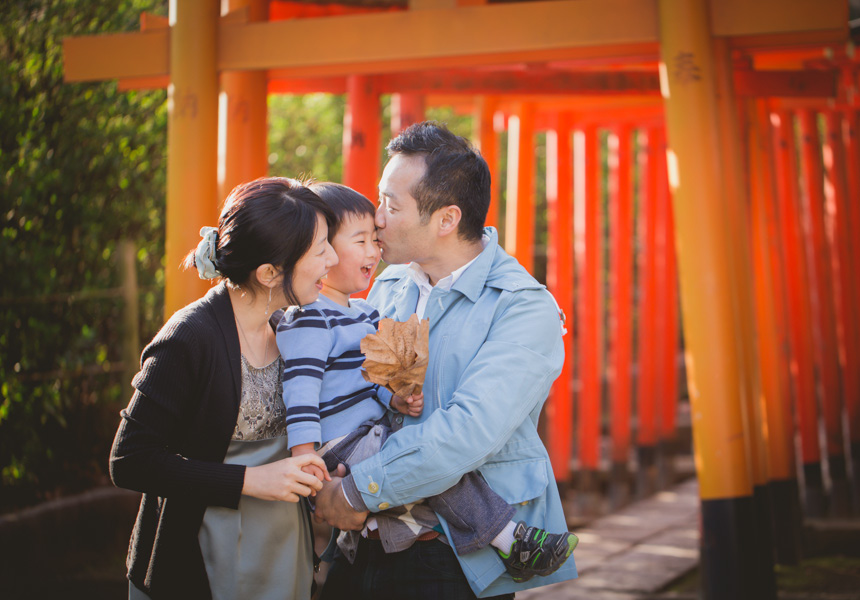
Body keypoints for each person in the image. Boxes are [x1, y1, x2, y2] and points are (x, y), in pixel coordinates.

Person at [312, 122, 579, 599]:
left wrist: (356, 492)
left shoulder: (522, 307)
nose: (377, 218)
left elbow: (466, 433)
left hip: (449, 560)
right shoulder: (392, 283)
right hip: (359, 548)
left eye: (392, 205)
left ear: (446, 219)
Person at [109, 177, 337, 600]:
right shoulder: (189, 337)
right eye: (321, 248)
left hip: (282, 546)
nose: (333, 258)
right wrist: (250, 480)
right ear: (270, 273)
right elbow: (130, 460)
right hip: (202, 550)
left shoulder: (294, 326)